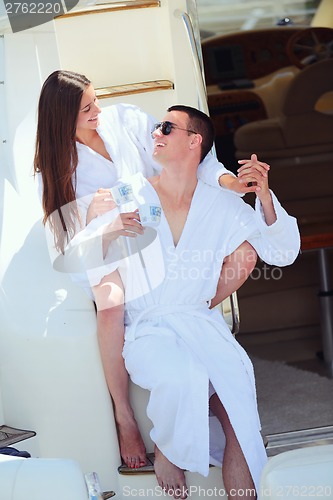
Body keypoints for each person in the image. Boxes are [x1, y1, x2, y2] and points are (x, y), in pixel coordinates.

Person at [33, 70, 263, 469]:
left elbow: (188, 154)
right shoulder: (55, 165)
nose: (98, 111)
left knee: (242, 253)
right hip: (108, 239)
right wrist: (94, 209)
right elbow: (63, 228)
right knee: (111, 302)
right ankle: (124, 415)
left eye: (96, 100)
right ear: (61, 117)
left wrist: (228, 182)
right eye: (87, 108)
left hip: (159, 224)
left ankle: (196, 305)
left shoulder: (126, 120)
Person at [114, 105, 301, 498]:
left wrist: (264, 196)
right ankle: (168, 447)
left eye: (167, 127)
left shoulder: (221, 204)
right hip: (150, 330)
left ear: (195, 140)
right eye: (155, 128)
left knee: (242, 422)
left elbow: (281, 253)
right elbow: (92, 250)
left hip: (201, 325)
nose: (156, 134)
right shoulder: (131, 191)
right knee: (180, 377)